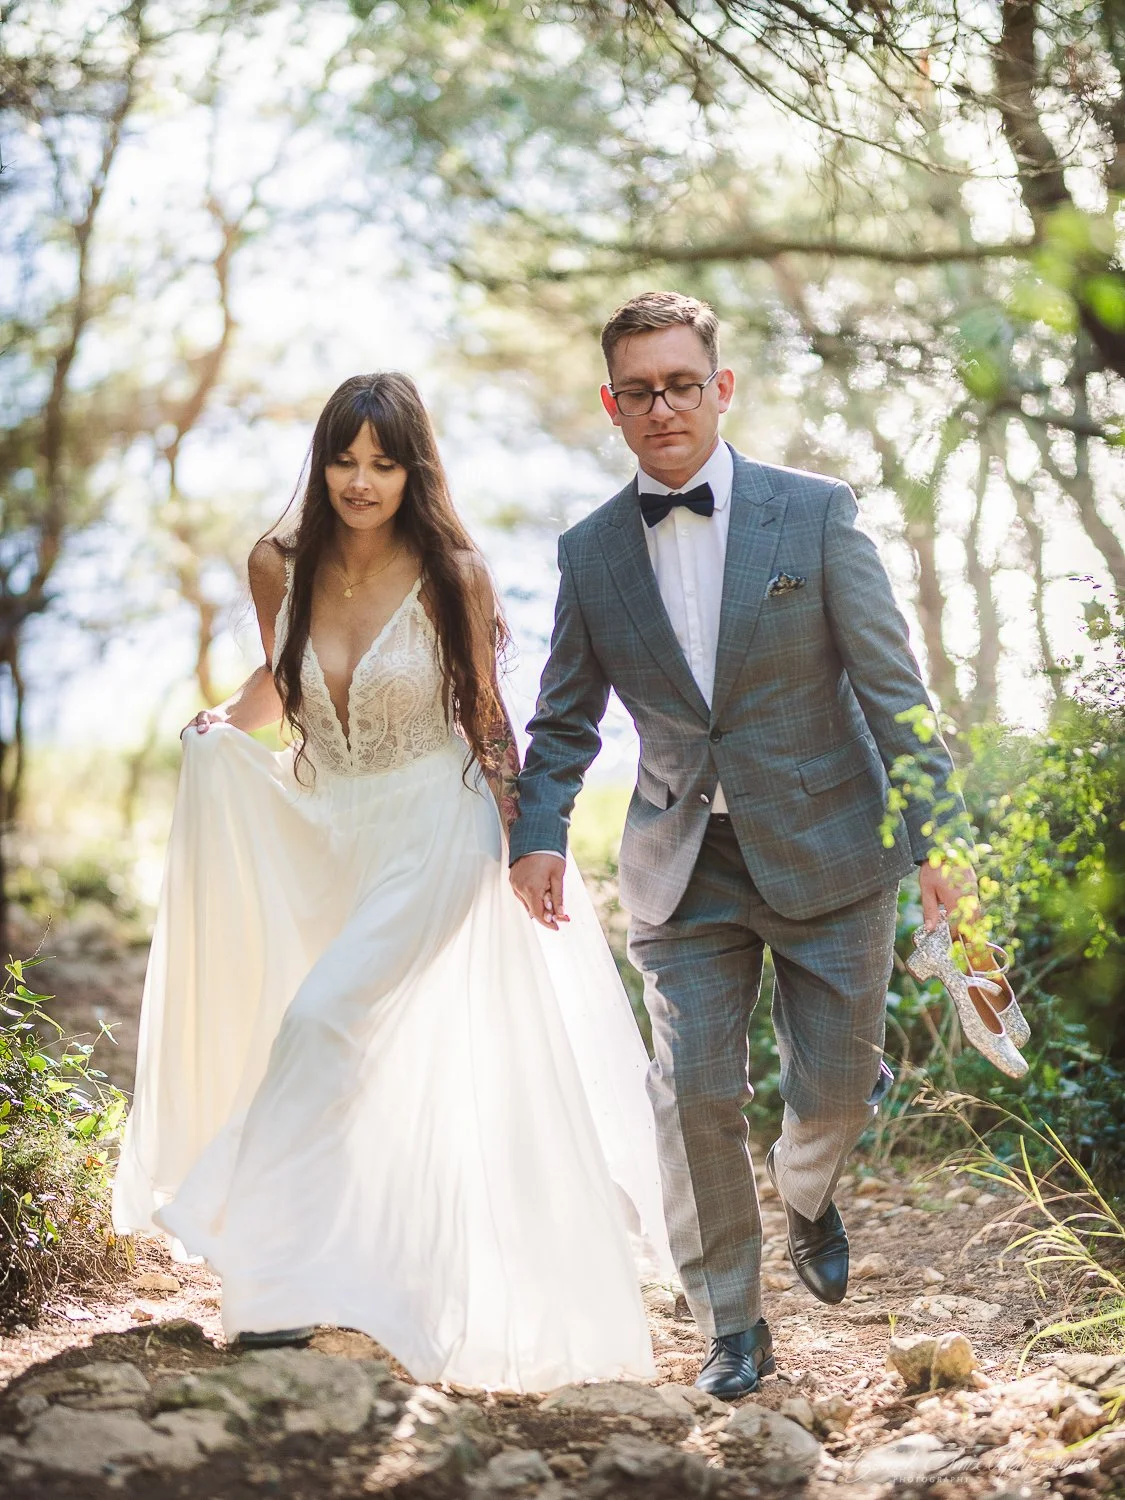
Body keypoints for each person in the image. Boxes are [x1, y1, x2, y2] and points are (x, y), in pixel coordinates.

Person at [112, 371, 673, 1392]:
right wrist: (223, 723)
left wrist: (529, 842)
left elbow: (486, 716)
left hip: (435, 826)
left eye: (382, 462)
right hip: (327, 827)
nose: (360, 481)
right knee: (361, 1058)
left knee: (319, 1022)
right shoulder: (277, 564)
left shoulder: (452, 572)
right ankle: (362, 1273)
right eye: (343, 459)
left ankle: (272, 1285)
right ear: (321, 463)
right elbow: (281, 678)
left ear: (414, 470)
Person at [509, 291, 979, 1401]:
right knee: (691, 1095)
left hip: (832, 845)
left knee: (836, 1089)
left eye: (682, 384)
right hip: (680, 863)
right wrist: (538, 833)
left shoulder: (812, 514)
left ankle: (806, 1185)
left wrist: (941, 841)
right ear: (612, 407)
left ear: (719, 388)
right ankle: (731, 1322)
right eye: (639, 391)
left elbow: (893, 688)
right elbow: (565, 719)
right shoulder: (590, 552)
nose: (662, 406)